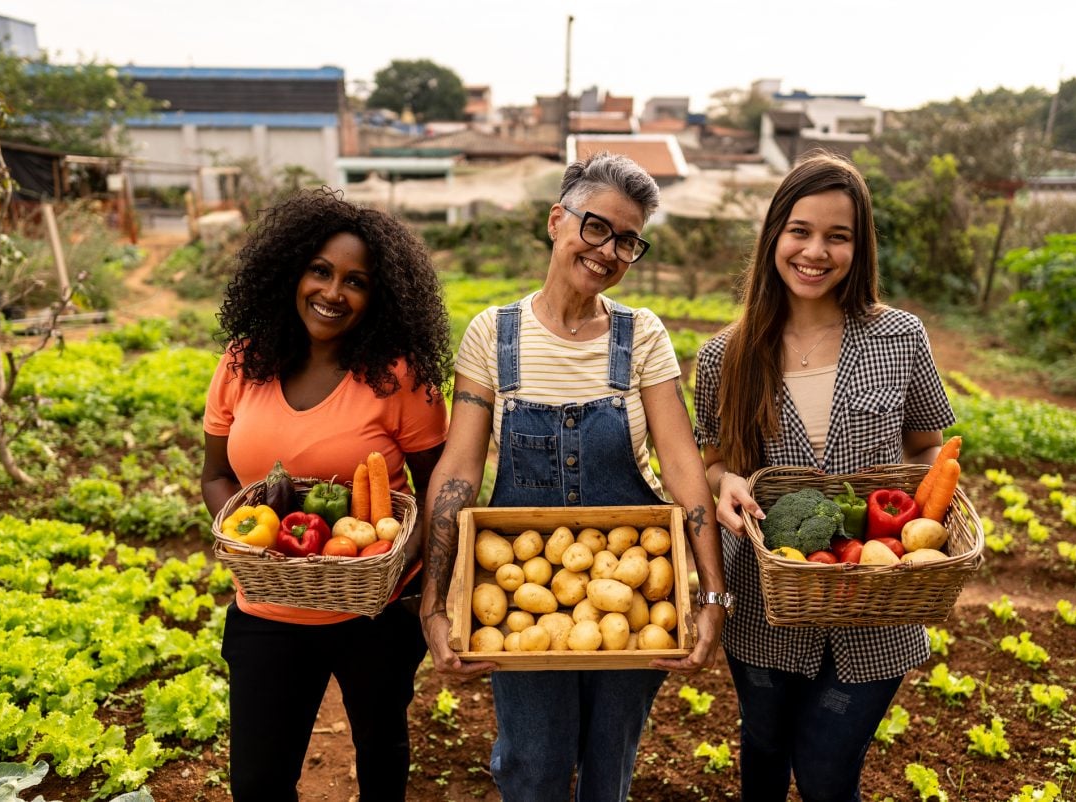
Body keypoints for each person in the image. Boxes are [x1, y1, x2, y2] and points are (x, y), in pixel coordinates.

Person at [419, 152, 729, 802]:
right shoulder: (492, 335)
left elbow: (682, 468)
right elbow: (459, 470)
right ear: (557, 220)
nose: (609, 249)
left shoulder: (640, 336)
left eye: (627, 239)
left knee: (608, 767)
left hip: (637, 581)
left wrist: (711, 596)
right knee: (532, 766)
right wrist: (435, 597)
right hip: (518, 592)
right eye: (596, 227)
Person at [693, 151, 956, 802]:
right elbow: (711, 460)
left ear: (857, 247)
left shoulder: (900, 336)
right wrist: (724, 480)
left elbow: (930, 446)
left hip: (877, 604)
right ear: (774, 236)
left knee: (827, 771)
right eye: (801, 231)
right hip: (765, 602)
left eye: (837, 236)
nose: (816, 251)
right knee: (761, 748)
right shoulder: (724, 355)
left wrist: (906, 513)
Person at [200, 188, 452, 802]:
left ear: (379, 296)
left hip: (372, 609)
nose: (333, 292)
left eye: (355, 281)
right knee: (259, 781)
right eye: (320, 271)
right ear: (292, 272)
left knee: (381, 754)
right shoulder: (242, 362)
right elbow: (215, 477)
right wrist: (255, 550)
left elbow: (441, 487)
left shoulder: (399, 377)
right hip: (265, 608)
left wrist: (399, 577)